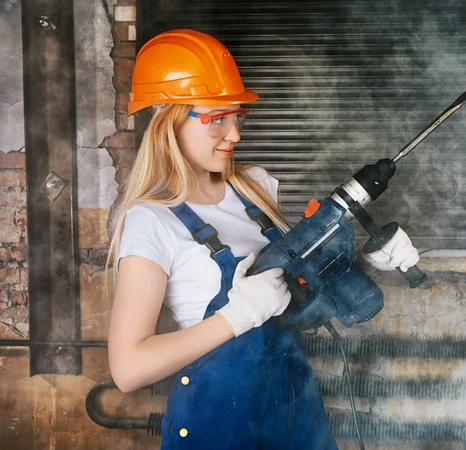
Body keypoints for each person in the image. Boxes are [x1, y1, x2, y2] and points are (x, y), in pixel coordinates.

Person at [106, 29, 419, 450]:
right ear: (168, 118)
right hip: (219, 429)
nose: (234, 134)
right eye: (216, 119)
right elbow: (128, 368)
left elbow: (293, 304)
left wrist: (366, 264)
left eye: (237, 116)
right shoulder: (152, 220)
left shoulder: (254, 189)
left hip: (296, 419)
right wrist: (234, 318)